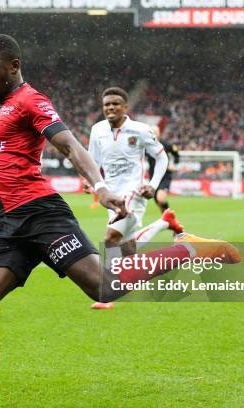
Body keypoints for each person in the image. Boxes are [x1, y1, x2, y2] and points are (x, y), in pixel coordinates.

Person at [0, 34, 240, 408]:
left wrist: (100, 185)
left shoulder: (30, 100)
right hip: (8, 225)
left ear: (14, 66)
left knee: (103, 288)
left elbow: (70, 145)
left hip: (40, 214)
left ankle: (187, 249)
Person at [87, 88, 184, 310]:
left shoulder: (140, 130)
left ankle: (108, 293)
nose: (110, 108)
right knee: (128, 248)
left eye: (115, 104)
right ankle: (164, 222)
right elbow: (92, 161)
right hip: (110, 194)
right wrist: (91, 182)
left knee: (111, 238)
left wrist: (153, 185)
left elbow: (161, 158)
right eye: (106, 105)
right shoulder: (97, 130)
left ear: (125, 107)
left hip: (134, 192)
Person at [146, 125, 180, 213]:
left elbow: (176, 155)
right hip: (153, 176)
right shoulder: (146, 146)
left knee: (160, 199)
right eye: (152, 132)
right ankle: (167, 219)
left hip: (165, 175)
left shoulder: (166, 145)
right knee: (158, 202)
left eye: (156, 132)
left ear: (159, 133)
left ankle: (170, 218)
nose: (154, 134)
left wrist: (173, 164)